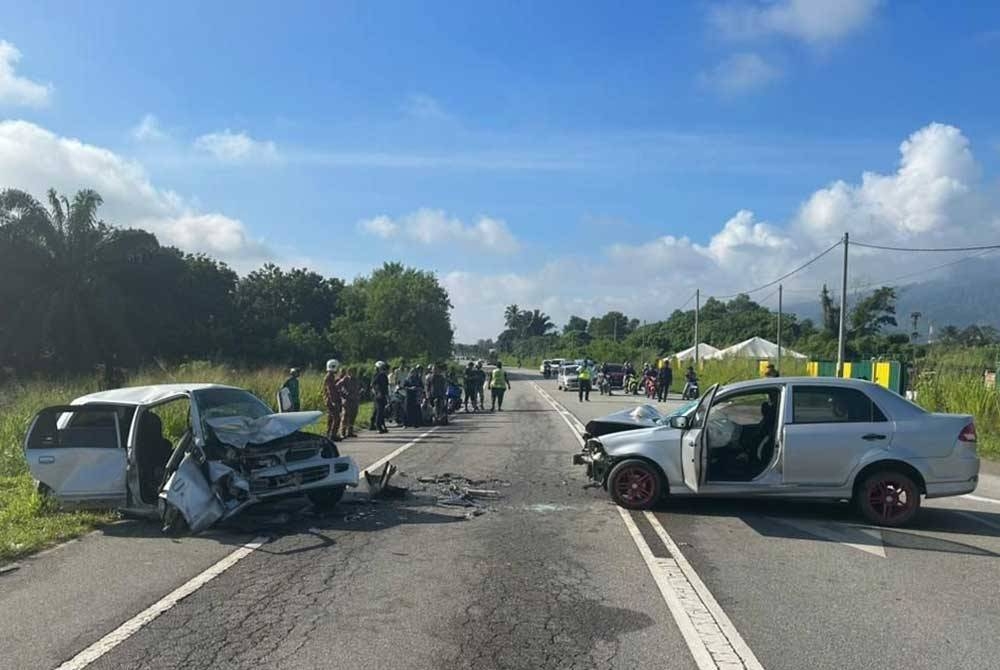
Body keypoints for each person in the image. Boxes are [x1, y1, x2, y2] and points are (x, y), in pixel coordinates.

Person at [337, 366, 360, 438]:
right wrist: (344, 394)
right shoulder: (345, 379)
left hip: (355, 400)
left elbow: (360, 387)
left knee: (353, 416)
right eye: (352, 372)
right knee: (345, 417)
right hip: (347, 401)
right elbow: (338, 386)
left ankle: (350, 432)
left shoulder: (356, 379)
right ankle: (342, 432)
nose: (354, 373)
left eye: (355, 372)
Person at [322, 359, 341, 441]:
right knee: (337, 418)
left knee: (330, 418)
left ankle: (329, 433)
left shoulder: (330, 376)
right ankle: (333, 435)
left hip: (329, 400)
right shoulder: (330, 377)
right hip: (331, 401)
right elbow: (330, 390)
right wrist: (333, 401)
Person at [372, 360, 389, 434]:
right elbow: (373, 385)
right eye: (382, 367)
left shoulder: (384, 376)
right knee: (379, 411)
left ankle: (380, 425)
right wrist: (377, 393)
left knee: (380, 411)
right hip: (378, 395)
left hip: (383, 394)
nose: (383, 369)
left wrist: (387, 395)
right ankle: (378, 427)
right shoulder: (376, 375)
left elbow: (386, 386)